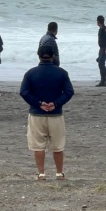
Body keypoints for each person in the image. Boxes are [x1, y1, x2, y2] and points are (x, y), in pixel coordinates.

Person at [20, 45, 74, 181]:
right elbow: (69, 92)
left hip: (37, 114)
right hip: (55, 114)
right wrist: (55, 103)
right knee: (58, 145)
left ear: (39, 55)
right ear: (53, 56)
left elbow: (24, 92)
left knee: (38, 145)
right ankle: (59, 173)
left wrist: (39, 103)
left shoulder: (31, 73)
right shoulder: (61, 73)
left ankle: (41, 174)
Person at [95, 15, 106, 87]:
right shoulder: (101, 29)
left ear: (98, 22)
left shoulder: (105, 29)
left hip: (105, 48)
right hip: (101, 48)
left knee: (101, 63)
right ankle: (102, 81)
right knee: (100, 62)